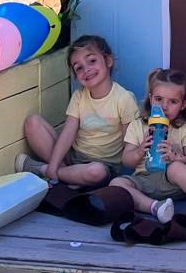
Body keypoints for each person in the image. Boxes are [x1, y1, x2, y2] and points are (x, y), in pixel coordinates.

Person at [17, 35, 136, 187]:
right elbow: (68, 133)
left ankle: (43, 170)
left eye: (92, 61)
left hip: (105, 167)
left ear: (108, 61)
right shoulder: (79, 96)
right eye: (79, 67)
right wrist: (54, 164)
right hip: (73, 159)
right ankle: (65, 174)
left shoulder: (124, 99)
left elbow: (130, 144)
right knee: (32, 123)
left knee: (96, 171)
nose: (86, 69)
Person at [110, 70, 186, 227]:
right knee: (116, 183)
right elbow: (127, 161)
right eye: (158, 99)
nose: (164, 106)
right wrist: (139, 151)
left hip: (175, 182)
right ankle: (156, 207)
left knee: (175, 167)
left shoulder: (185, 128)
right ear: (150, 98)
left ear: (183, 104)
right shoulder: (137, 125)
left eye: (173, 102)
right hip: (144, 181)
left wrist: (177, 157)